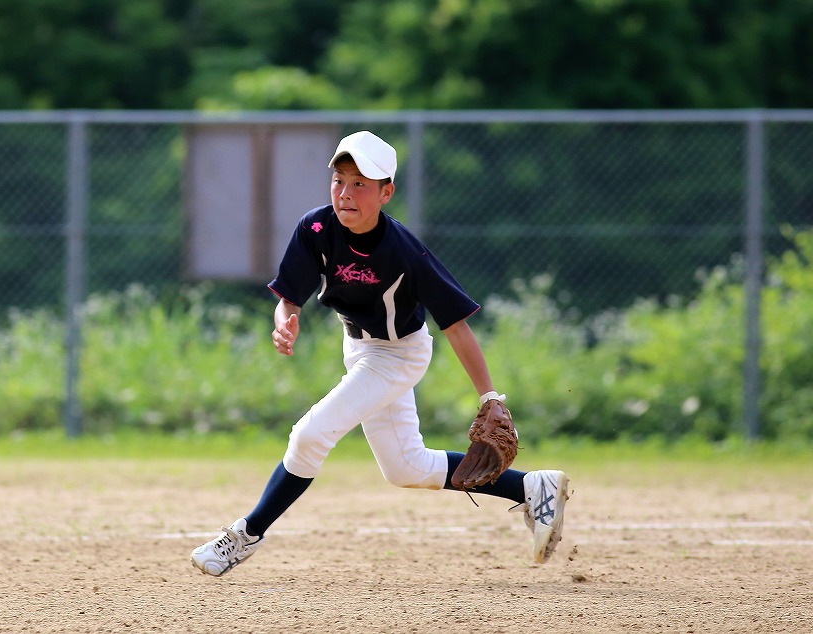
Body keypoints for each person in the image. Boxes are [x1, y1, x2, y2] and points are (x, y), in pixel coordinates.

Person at [191, 130, 570, 577]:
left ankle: (245, 535)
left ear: (386, 192)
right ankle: (532, 487)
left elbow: (456, 325)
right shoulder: (316, 228)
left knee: (310, 435)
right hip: (359, 348)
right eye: (339, 180)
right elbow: (289, 295)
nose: (346, 193)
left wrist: (491, 398)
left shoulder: (405, 251)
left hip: (398, 355)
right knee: (406, 467)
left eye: (361, 184)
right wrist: (284, 318)